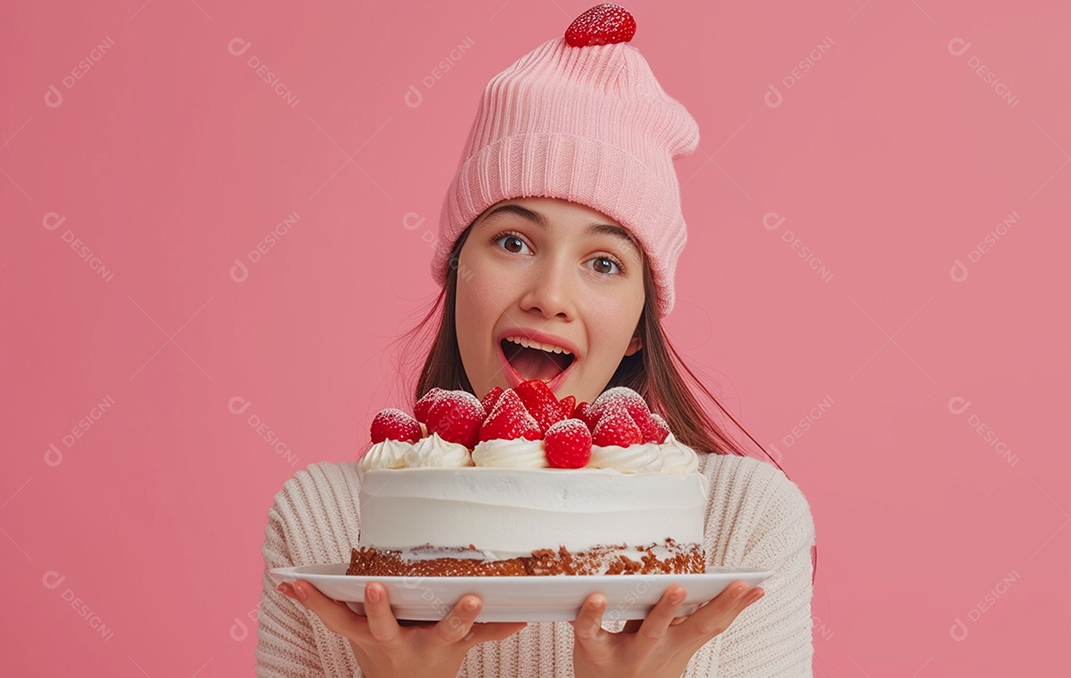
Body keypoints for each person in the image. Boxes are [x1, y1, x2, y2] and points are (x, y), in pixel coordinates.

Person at [256, 5, 816, 676]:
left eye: (604, 262)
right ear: (456, 271)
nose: (548, 295)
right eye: (513, 242)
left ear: (640, 327)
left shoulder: (743, 522)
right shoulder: (325, 522)